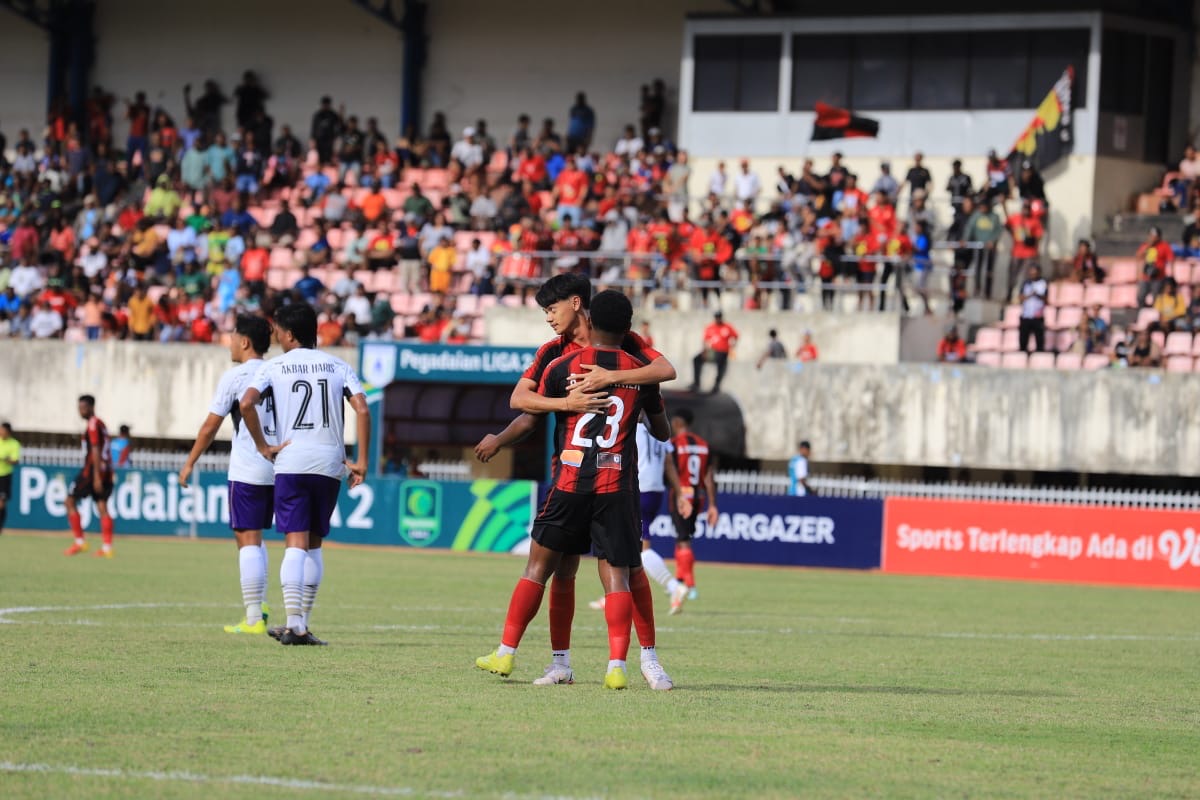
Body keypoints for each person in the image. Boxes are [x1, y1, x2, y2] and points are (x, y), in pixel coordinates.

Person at [472, 274, 676, 686]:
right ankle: (563, 663)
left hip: (602, 480)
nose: (548, 318)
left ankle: (648, 659)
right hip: (582, 478)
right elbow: (525, 408)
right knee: (567, 572)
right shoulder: (554, 351)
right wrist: (513, 431)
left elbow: (664, 369)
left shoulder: (626, 345)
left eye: (552, 308)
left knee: (626, 568)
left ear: (577, 304)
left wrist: (608, 378)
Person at [239, 303, 370, 646]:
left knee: (294, 542)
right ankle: (304, 625)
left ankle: (294, 623)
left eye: (279, 332)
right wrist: (363, 461)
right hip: (330, 463)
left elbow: (245, 404)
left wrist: (263, 446)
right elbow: (362, 408)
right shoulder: (339, 365)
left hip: (292, 459)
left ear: (290, 334)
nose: (278, 338)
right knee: (314, 543)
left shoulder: (274, 367)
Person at [179, 315, 277, 634]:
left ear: (245, 342)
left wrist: (190, 461)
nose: (230, 343)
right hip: (283, 466)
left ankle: (252, 618)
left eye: (233, 337)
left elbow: (211, 426)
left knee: (246, 538)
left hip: (249, 466)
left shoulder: (236, 377)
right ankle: (261, 608)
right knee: (259, 538)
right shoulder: (279, 371)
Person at [589, 417, 691, 615]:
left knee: (637, 549)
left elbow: (616, 457)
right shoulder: (661, 428)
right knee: (630, 546)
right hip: (655, 491)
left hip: (636, 489)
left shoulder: (628, 428)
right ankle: (613, 594)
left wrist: (593, 463)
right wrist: (679, 493)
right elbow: (669, 463)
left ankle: (674, 586)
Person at [669, 408, 717, 599]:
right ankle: (679, 581)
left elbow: (669, 472)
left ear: (678, 422)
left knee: (683, 540)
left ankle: (690, 585)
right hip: (699, 497)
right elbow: (709, 477)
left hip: (681, 496)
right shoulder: (704, 445)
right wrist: (713, 505)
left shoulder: (674, 445)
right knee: (683, 537)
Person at [64, 395, 116, 557]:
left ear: (92, 407)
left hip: (92, 471)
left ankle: (80, 542)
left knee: (69, 501)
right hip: (105, 470)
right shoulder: (100, 424)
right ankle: (107, 548)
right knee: (101, 505)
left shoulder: (93, 424)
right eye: (79, 408)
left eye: (84, 408)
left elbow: (95, 449)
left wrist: (96, 477)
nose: (81, 411)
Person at [689, 310, 738, 394]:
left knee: (722, 364)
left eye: (719, 317)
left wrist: (732, 348)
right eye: (716, 317)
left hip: (723, 351)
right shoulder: (710, 327)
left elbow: (735, 336)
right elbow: (705, 340)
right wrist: (704, 351)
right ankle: (696, 383)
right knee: (696, 359)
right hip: (712, 351)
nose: (718, 319)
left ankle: (716, 386)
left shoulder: (727, 327)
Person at [1018, 265, 1048, 353]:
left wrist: (1037, 295)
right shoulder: (1026, 283)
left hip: (1038, 316)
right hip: (1026, 315)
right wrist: (1030, 295)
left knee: (1039, 341)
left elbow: (1046, 299)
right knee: (1023, 340)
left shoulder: (1043, 283)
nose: (1033, 274)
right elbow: (1020, 297)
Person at [0, 422, 19, 535]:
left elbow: (15, 460)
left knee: (1, 503)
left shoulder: (14, 444)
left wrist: (5, 459)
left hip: (5, 476)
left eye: (3, 430)